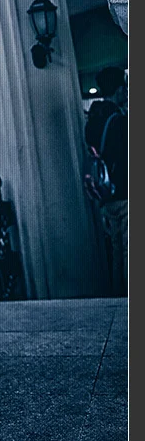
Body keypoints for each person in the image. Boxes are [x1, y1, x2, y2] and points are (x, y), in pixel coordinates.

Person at [84, 66, 128, 296]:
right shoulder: (120, 121)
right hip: (125, 192)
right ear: (119, 89)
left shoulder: (93, 121)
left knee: (117, 250)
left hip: (105, 195)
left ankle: (119, 297)